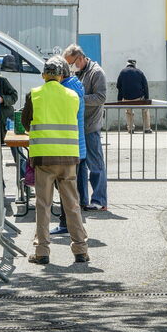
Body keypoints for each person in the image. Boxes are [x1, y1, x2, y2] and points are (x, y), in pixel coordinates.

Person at [21, 57, 90, 265]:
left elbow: (26, 123)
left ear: (44, 75)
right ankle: (81, 250)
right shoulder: (73, 96)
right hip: (69, 157)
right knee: (72, 204)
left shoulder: (34, 94)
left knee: (43, 205)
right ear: (61, 76)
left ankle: (42, 252)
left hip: (44, 158)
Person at [63, 44, 108, 211]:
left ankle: (99, 200)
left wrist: (78, 98)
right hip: (78, 126)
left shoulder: (96, 73)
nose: (71, 67)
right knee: (80, 166)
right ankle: (83, 200)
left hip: (90, 126)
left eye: (72, 63)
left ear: (80, 58)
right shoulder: (80, 72)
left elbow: (100, 97)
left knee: (95, 165)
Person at [51, 67, 87, 236]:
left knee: (67, 191)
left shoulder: (66, 90)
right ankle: (73, 226)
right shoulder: (76, 86)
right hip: (76, 146)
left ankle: (68, 224)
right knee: (71, 190)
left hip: (67, 147)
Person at [117, 59, 152, 134]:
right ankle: (147, 128)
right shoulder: (139, 72)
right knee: (145, 110)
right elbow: (145, 86)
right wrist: (146, 98)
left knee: (128, 112)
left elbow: (118, 86)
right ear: (135, 65)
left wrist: (119, 99)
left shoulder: (122, 72)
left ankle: (130, 129)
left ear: (127, 64)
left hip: (126, 98)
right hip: (139, 97)